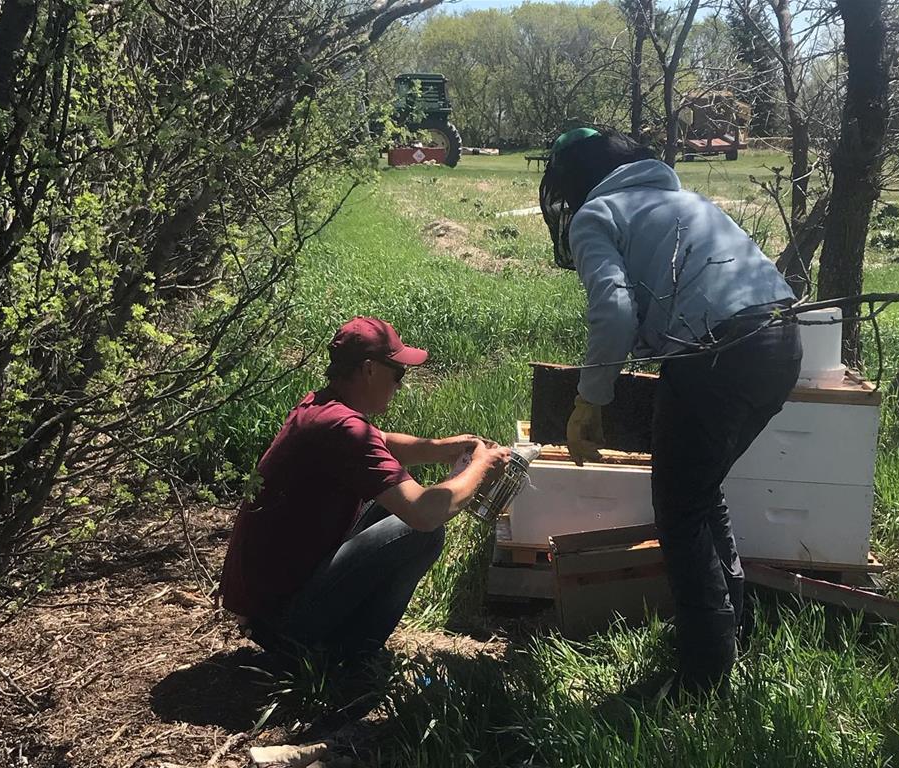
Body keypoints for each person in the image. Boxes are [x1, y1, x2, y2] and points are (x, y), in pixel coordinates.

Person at [539, 128, 803, 698]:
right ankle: (731, 630)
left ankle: (703, 677)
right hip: (781, 340)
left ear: (575, 183)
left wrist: (590, 400)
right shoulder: (686, 202)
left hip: (713, 353)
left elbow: (613, 312)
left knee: (679, 513)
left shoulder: (597, 214)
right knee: (702, 491)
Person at [219, 316, 510, 667]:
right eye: (398, 374)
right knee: (422, 533)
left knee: (392, 508)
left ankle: (332, 642)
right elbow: (425, 512)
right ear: (370, 370)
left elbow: (382, 442)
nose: (400, 385)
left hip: (270, 606)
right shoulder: (341, 428)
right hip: (285, 620)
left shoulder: (321, 407)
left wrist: (448, 447)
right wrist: (483, 468)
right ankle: (346, 654)